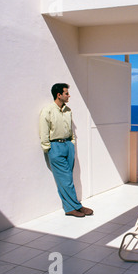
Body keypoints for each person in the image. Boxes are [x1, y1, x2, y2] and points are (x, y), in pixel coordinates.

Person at [39, 83, 93, 217]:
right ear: (59, 95)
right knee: (66, 178)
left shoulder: (68, 110)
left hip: (68, 146)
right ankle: (75, 206)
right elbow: (43, 131)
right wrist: (48, 148)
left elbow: (70, 130)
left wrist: (72, 143)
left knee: (67, 177)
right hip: (55, 147)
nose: (69, 95)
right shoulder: (48, 110)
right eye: (66, 93)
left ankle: (72, 207)